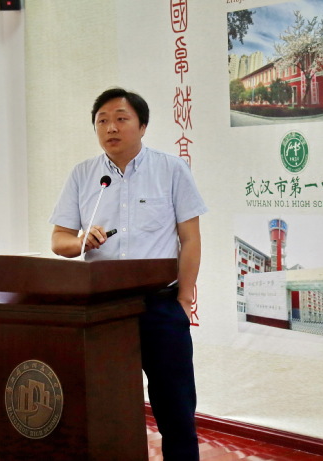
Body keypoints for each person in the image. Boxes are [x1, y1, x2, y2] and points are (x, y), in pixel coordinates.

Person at [49, 87, 208, 460]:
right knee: (105, 405)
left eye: (121, 119)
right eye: (102, 120)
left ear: (142, 126)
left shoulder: (171, 169)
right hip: (101, 309)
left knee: (175, 408)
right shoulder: (83, 175)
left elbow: (190, 239)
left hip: (160, 307)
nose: (111, 128)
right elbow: (58, 240)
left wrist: (184, 299)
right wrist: (81, 242)